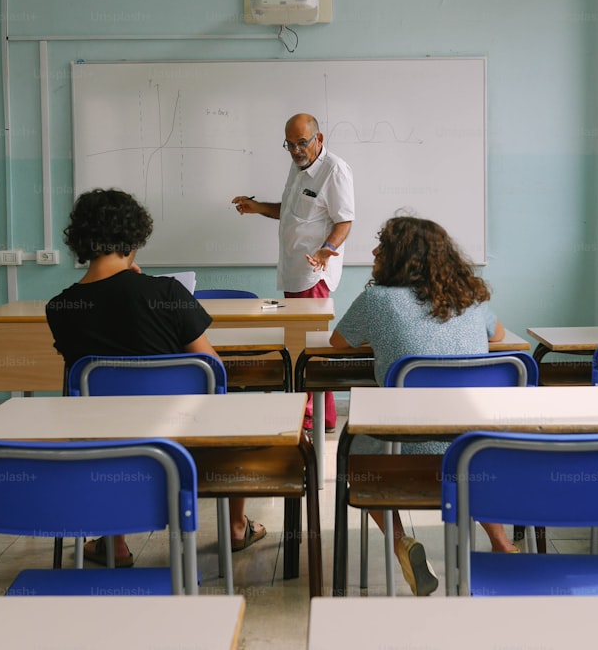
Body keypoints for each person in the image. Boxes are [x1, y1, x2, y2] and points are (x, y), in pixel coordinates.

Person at [46, 188, 266, 567]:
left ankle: (114, 543)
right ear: (134, 237)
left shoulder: (61, 308)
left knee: (105, 419)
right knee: (236, 408)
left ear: (80, 240)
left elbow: (83, 377)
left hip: (105, 450)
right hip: (184, 446)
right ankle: (234, 525)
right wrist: (143, 288)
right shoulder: (166, 292)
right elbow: (213, 372)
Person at [328, 215, 519, 596]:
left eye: (382, 246)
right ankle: (502, 542)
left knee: (355, 454)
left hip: (398, 454)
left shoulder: (377, 300)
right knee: (464, 441)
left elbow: (338, 344)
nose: (373, 251)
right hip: (476, 453)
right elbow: (499, 336)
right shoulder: (470, 298)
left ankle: (401, 542)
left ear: (400, 257)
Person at [231, 112, 355, 432]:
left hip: (314, 274)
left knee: (308, 348)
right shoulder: (297, 166)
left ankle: (313, 415)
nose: (296, 150)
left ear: (319, 139)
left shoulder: (334, 171)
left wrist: (327, 249)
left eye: (303, 142)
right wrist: (258, 207)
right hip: (293, 271)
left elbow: (345, 221)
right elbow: (290, 213)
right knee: (302, 345)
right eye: (290, 144)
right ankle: (323, 416)